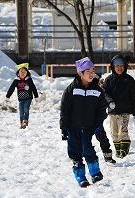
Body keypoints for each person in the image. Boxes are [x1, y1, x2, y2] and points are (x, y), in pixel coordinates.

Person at [60, 57, 107, 187]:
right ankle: (81, 176)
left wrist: (98, 124)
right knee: (75, 151)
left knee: (87, 148)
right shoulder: (71, 89)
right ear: (80, 73)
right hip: (72, 127)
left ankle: (95, 172)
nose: (92, 73)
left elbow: (102, 110)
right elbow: (65, 109)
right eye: (88, 71)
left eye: (93, 70)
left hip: (88, 127)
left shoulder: (97, 90)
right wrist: (63, 127)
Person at [103, 54, 135, 158]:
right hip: (113, 111)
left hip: (125, 110)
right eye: (117, 66)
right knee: (114, 133)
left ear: (125, 67)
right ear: (113, 67)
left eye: (122, 66)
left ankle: (124, 151)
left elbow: (134, 96)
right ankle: (118, 150)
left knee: (122, 132)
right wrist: (109, 102)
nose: (120, 68)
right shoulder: (109, 80)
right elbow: (105, 93)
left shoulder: (129, 80)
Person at [6, 63, 38, 129]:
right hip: (21, 99)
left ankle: (25, 121)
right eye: (21, 71)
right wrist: (8, 96)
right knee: (21, 111)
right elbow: (11, 88)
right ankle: (21, 123)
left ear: (27, 73)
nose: (23, 73)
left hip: (28, 98)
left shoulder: (29, 80)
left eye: (24, 72)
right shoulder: (16, 81)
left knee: (26, 108)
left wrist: (36, 96)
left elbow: (33, 87)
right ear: (18, 73)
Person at [92, 74, 116, 164]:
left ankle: (108, 156)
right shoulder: (85, 92)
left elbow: (104, 105)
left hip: (97, 122)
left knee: (103, 139)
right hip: (86, 121)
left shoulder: (101, 92)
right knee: (85, 140)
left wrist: (101, 117)